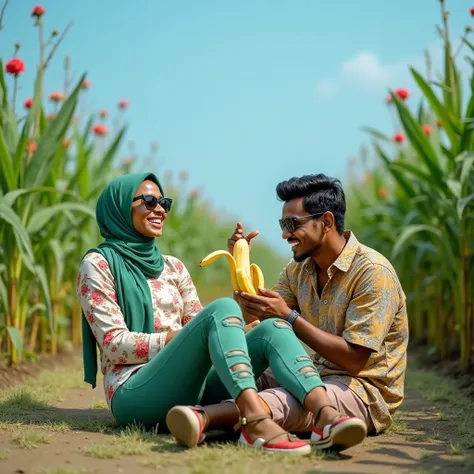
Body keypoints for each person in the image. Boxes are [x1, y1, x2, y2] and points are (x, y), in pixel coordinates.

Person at [77, 172, 367, 457]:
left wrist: (239, 268)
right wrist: (177, 339)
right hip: (136, 390)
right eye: (149, 201)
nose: (160, 209)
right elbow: (114, 345)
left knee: (275, 326)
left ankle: (326, 415)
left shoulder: (173, 267)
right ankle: (255, 421)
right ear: (118, 208)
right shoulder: (98, 264)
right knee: (223, 309)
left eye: (164, 202)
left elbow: (201, 330)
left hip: (194, 385)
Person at [169, 173, 408, 448]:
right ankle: (227, 416)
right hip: (315, 373)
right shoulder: (299, 270)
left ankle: (202, 418)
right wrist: (239, 268)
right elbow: (259, 322)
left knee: (287, 398)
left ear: (326, 221)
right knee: (245, 373)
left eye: (292, 224)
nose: (284, 234)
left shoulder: (372, 273)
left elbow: (354, 361)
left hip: (362, 389)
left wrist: (288, 317)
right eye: (282, 224)